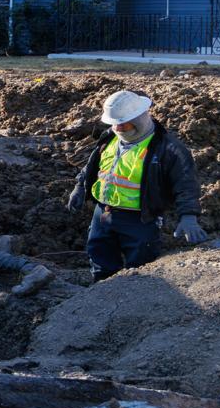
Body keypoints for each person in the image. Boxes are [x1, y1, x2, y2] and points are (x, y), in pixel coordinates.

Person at [65, 90, 207, 282]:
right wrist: (81, 186)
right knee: (99, 256)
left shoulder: (167, 148)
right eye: (114, 123)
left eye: (123, 123)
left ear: (139, 118)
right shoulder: (110, 138)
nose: (118, 128)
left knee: (140, 267)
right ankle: (101, 291)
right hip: (103, 213)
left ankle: (137, 294)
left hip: (140, 219)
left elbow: (186, 184)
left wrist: (188, 215)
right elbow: (93, 166)